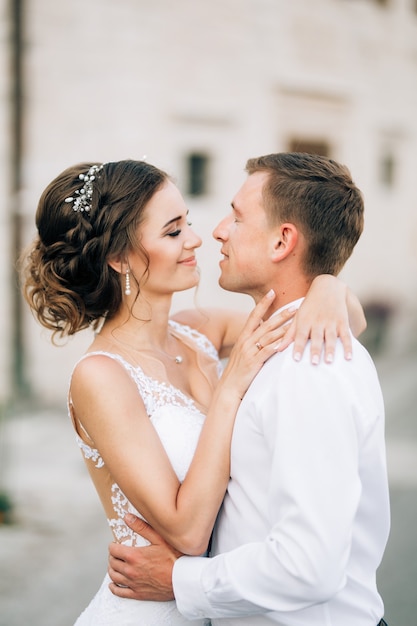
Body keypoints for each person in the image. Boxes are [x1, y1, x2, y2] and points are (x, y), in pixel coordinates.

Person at [22, 158, 365, 626]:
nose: (196, 240)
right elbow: (185, 530)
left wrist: (327, 285)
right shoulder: (100, 376)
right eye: (172, 231)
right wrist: (230, 388)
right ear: (120, 257)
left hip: (212, 604)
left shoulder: (199, 332)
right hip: (148, 611)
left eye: (187, 223)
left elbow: (333, 319)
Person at [108, 153, 390, 626]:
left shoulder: (309, 365)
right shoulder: (275, 339)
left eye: (237, 217)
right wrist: (327, 285)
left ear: (283, 240)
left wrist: (181, 582)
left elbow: (308, 565)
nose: (217, 231)